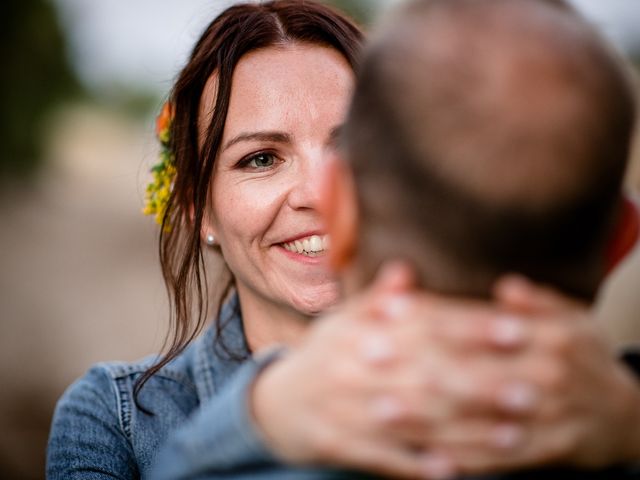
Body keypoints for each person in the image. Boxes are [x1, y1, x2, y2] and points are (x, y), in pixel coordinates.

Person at [47, 1, 639, 479]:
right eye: (259, 159)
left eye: (347, 145)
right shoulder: (112, 418)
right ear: (200, 210)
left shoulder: (609, 409)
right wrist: (258, 417)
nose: (316, 190)